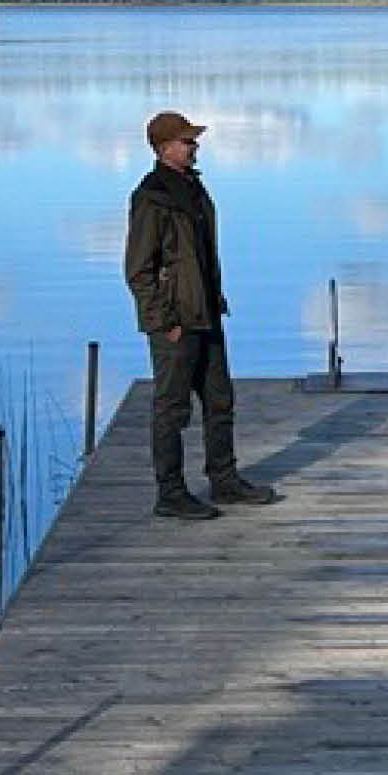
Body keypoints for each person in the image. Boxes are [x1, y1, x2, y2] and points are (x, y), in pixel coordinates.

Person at [124, 110, 281, 520]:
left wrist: (213, 303)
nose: (195, 146)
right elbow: (138, 271)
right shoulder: (151, 197)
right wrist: (164, 322)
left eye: (194, 140)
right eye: (187, 141)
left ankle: (224, 481)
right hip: (175, 325)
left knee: (220, 401)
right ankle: (170, 494)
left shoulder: (193, 188)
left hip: (206, 314)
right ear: (163, 148)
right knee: (172, 410)